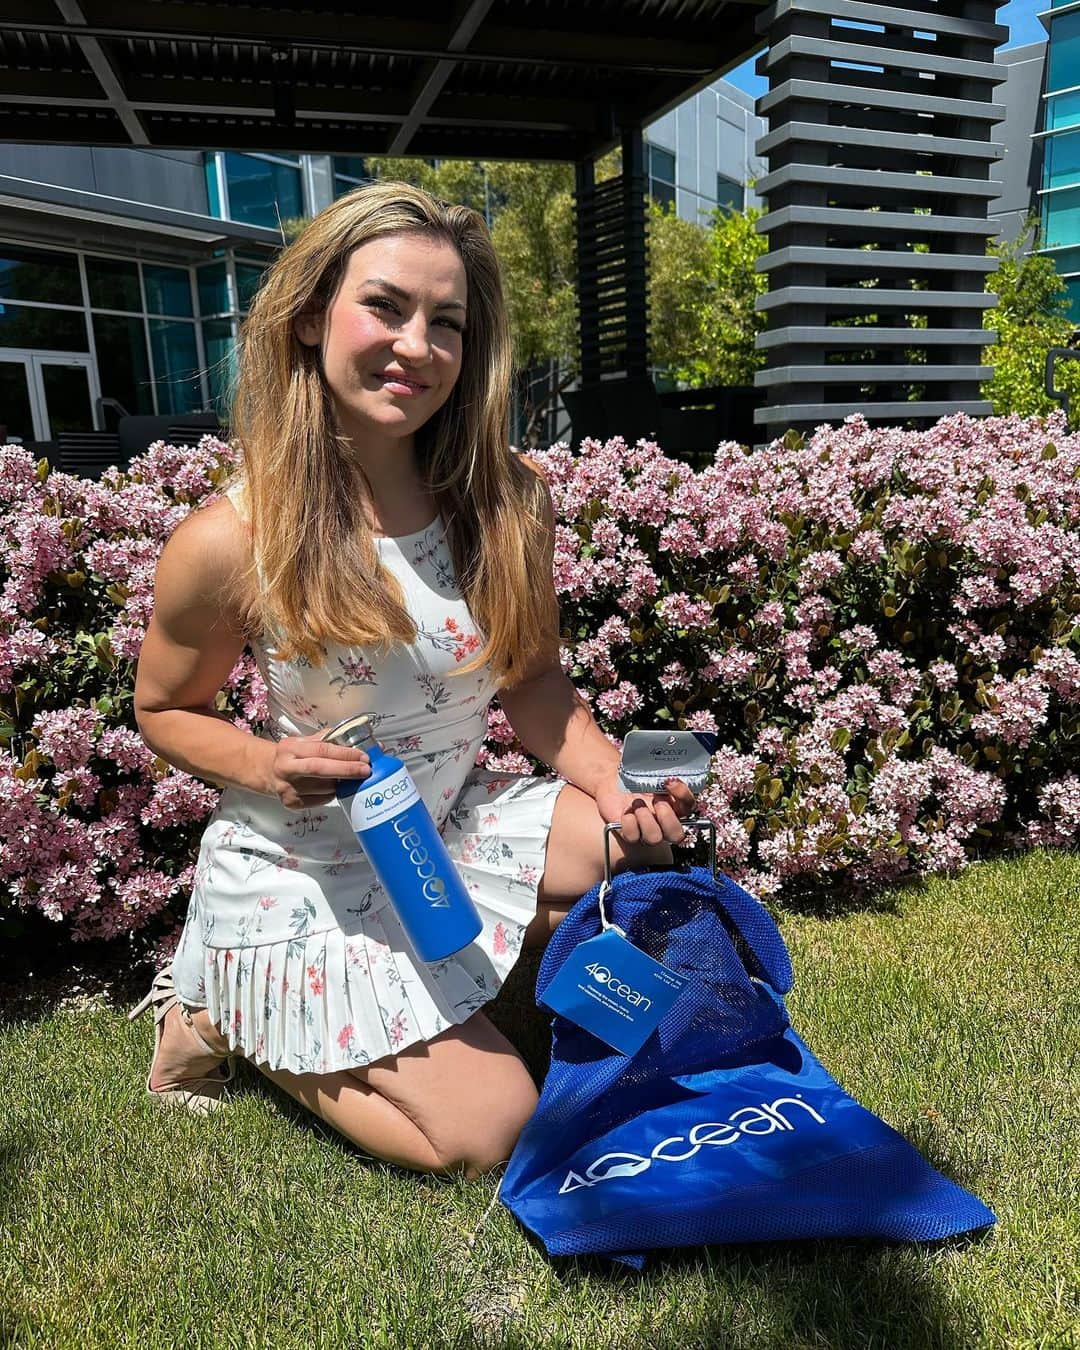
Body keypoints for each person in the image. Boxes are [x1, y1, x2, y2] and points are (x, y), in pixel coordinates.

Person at [131, 180, 697, 1180]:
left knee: (637, 861)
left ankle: (442, 979)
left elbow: (535, 687)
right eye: (386, 307)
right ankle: (224, 1007)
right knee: (488, 1135)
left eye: (447, 323)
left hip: (448, 820)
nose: (418, 345)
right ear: (311, 318)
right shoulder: (231, 540)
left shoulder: (506, 502)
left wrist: (615, 786)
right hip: (310, 872)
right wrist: (264, 763)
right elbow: (165, 709)